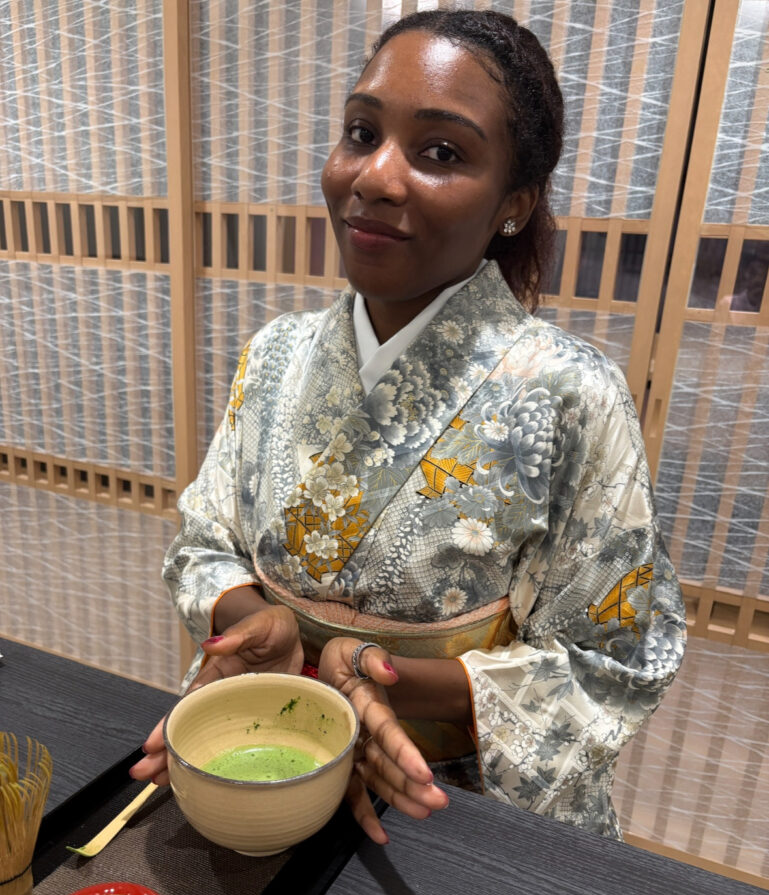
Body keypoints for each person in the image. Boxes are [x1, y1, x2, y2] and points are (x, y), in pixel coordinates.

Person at [132, 9, 686, 844]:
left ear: (512, 203)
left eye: (440, 152)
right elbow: (201, 543)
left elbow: (610, 665)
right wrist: (261, 622)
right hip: (266, 756)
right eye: (361, 132)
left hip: (449, 802)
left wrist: (386, 680)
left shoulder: (573, 394)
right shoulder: (276, 354)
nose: (376, 177)